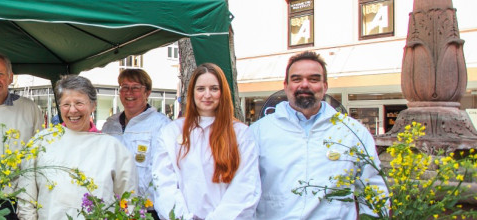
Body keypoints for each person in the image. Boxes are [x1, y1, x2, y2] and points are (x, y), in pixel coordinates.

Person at [251, 51, 387, 219]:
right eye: (297, 79)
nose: (304, 85)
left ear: (325, 86)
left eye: (313, 79)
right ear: (286, 86)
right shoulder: (258, 132)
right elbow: (245, 190)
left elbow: (373, 188)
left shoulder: (352, 131)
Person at [16, 75, 138, 220]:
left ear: (93, 105)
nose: (72, 110)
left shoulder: (113, 148)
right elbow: (26, 200)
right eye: (66, 104)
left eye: (79, 103)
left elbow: (129, 202)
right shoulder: (41, 143)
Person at [151, 63, 260, 220]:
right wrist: (185, 217)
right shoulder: (172, 132)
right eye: (201, 89)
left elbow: (245, 187)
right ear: (192, 92)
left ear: (223, 93)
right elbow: (163, 183)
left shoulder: (240, 133)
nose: (207, 95)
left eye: (214, 89)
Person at [100, 68, 171, 216]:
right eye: (124, 87)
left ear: (147, 93)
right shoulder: (110, 125)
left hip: (147, 210)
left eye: (136, 88)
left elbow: (165, 173)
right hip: (114, 207)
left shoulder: (161, 125)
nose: (129, 92)